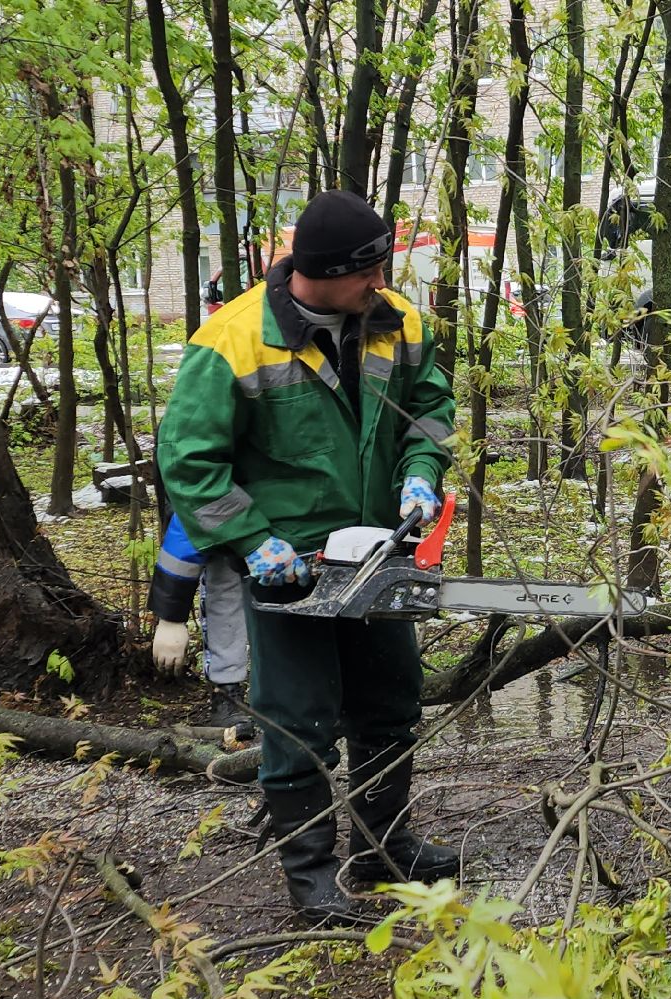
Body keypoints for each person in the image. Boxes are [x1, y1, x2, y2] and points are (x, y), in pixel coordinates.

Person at [159, 190, 458, 925]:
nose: (382, 283)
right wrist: (252, 541)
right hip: (286, 564)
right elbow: (190, 463)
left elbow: (428, 405)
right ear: (325, 271)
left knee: (390, 703)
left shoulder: (398, 321)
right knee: (298, 721)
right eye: (370, 271)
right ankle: (312, 879)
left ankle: (385, 847)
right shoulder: (231, 341)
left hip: (376, 552)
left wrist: (420, 470)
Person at [147, 492, 252, 734]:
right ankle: (227, 692)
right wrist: (170, 617)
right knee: (225, 577)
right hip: (223, 508)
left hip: (295, 516)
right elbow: (193, 514)